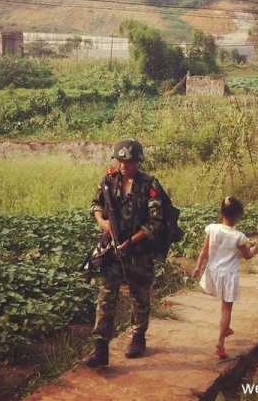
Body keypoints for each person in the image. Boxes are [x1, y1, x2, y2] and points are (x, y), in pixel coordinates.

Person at [83, 137, 167, 368]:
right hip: (111, 249)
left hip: (139, 251)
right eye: (120, 161)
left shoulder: (149, 184)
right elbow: (95, 204)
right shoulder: (108, 181)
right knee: (106, 296)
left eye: (128, 162)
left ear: (137, 161)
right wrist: (103, 223)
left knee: (139, 295)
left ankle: (138, 337)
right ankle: (100, 348)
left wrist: (132, 241)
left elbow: (156, 222)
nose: (123, 166)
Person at [192, 196, 258, 359]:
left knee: (224, 308)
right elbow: (247, 256)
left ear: (221, 213)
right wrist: (256, 249)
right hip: (228, 276)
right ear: (238, 216)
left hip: (213, 271)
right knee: (226, 309)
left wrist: (198, 267)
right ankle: (220, 343)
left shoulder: (212, 229)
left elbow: (204, 251)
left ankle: (225, 329)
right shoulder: (239, 237)